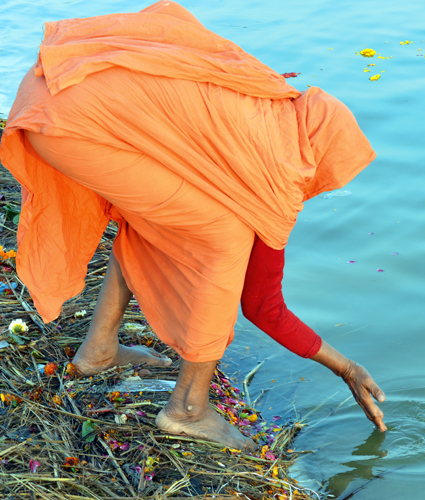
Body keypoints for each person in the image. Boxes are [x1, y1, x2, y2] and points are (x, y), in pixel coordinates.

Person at [0, 0, 386, 451]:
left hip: (56, 83)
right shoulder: (278, 168)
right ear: (313, 155)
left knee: (157, 217)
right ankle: (187, 409)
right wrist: (346, 367)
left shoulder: (262, 100)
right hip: (73, 121)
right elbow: (263, 306)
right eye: (322, 174)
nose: (312, 183)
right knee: (224, 236)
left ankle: (98, 350)